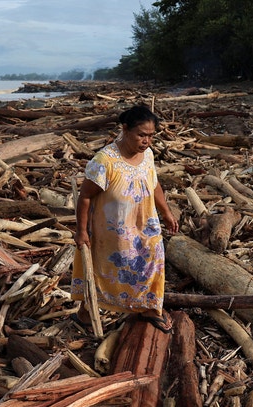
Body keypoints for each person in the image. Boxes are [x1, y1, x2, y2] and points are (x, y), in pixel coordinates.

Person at [70, 105, 179, 332]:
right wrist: (81, 231)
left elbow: (154, 183)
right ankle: (86, 312)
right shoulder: (105, 161)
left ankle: (149, 307)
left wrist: (166, 213)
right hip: (112, 231)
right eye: (141, 135)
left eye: (151, 136)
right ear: (125, 129)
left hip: (146, 224)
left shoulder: (147, 155)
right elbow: (85, 196)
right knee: (103, 269)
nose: (147, 141)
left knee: (153, 261)